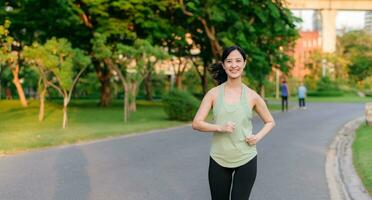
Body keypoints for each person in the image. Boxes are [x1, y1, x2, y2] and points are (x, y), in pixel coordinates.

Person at [192, 46, 275, 200]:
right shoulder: (214, 93)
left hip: (246, 158)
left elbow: (270, 121)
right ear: (223, 65)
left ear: (244, 64)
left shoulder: (252, 96)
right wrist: (220, 127)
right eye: (229, 61)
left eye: (238, 60)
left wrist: (257, 137)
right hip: (218, 158)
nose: (234, 65)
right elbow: (196, 123)